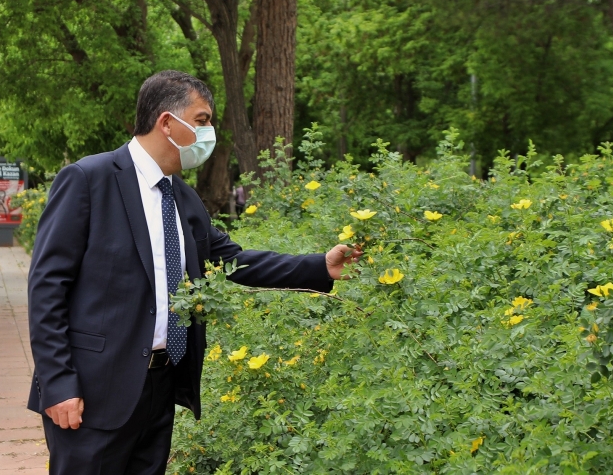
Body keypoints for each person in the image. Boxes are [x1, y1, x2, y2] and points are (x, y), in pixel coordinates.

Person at [26, 70, 362, 475]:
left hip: (160, 385)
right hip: (93, 390)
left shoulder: (181, 197)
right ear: (166, 122)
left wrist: (318, 266)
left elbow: (232, 260)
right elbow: (47, 287)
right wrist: (58, 383)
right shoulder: (89, 179)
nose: (209, 132)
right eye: (202, 120)